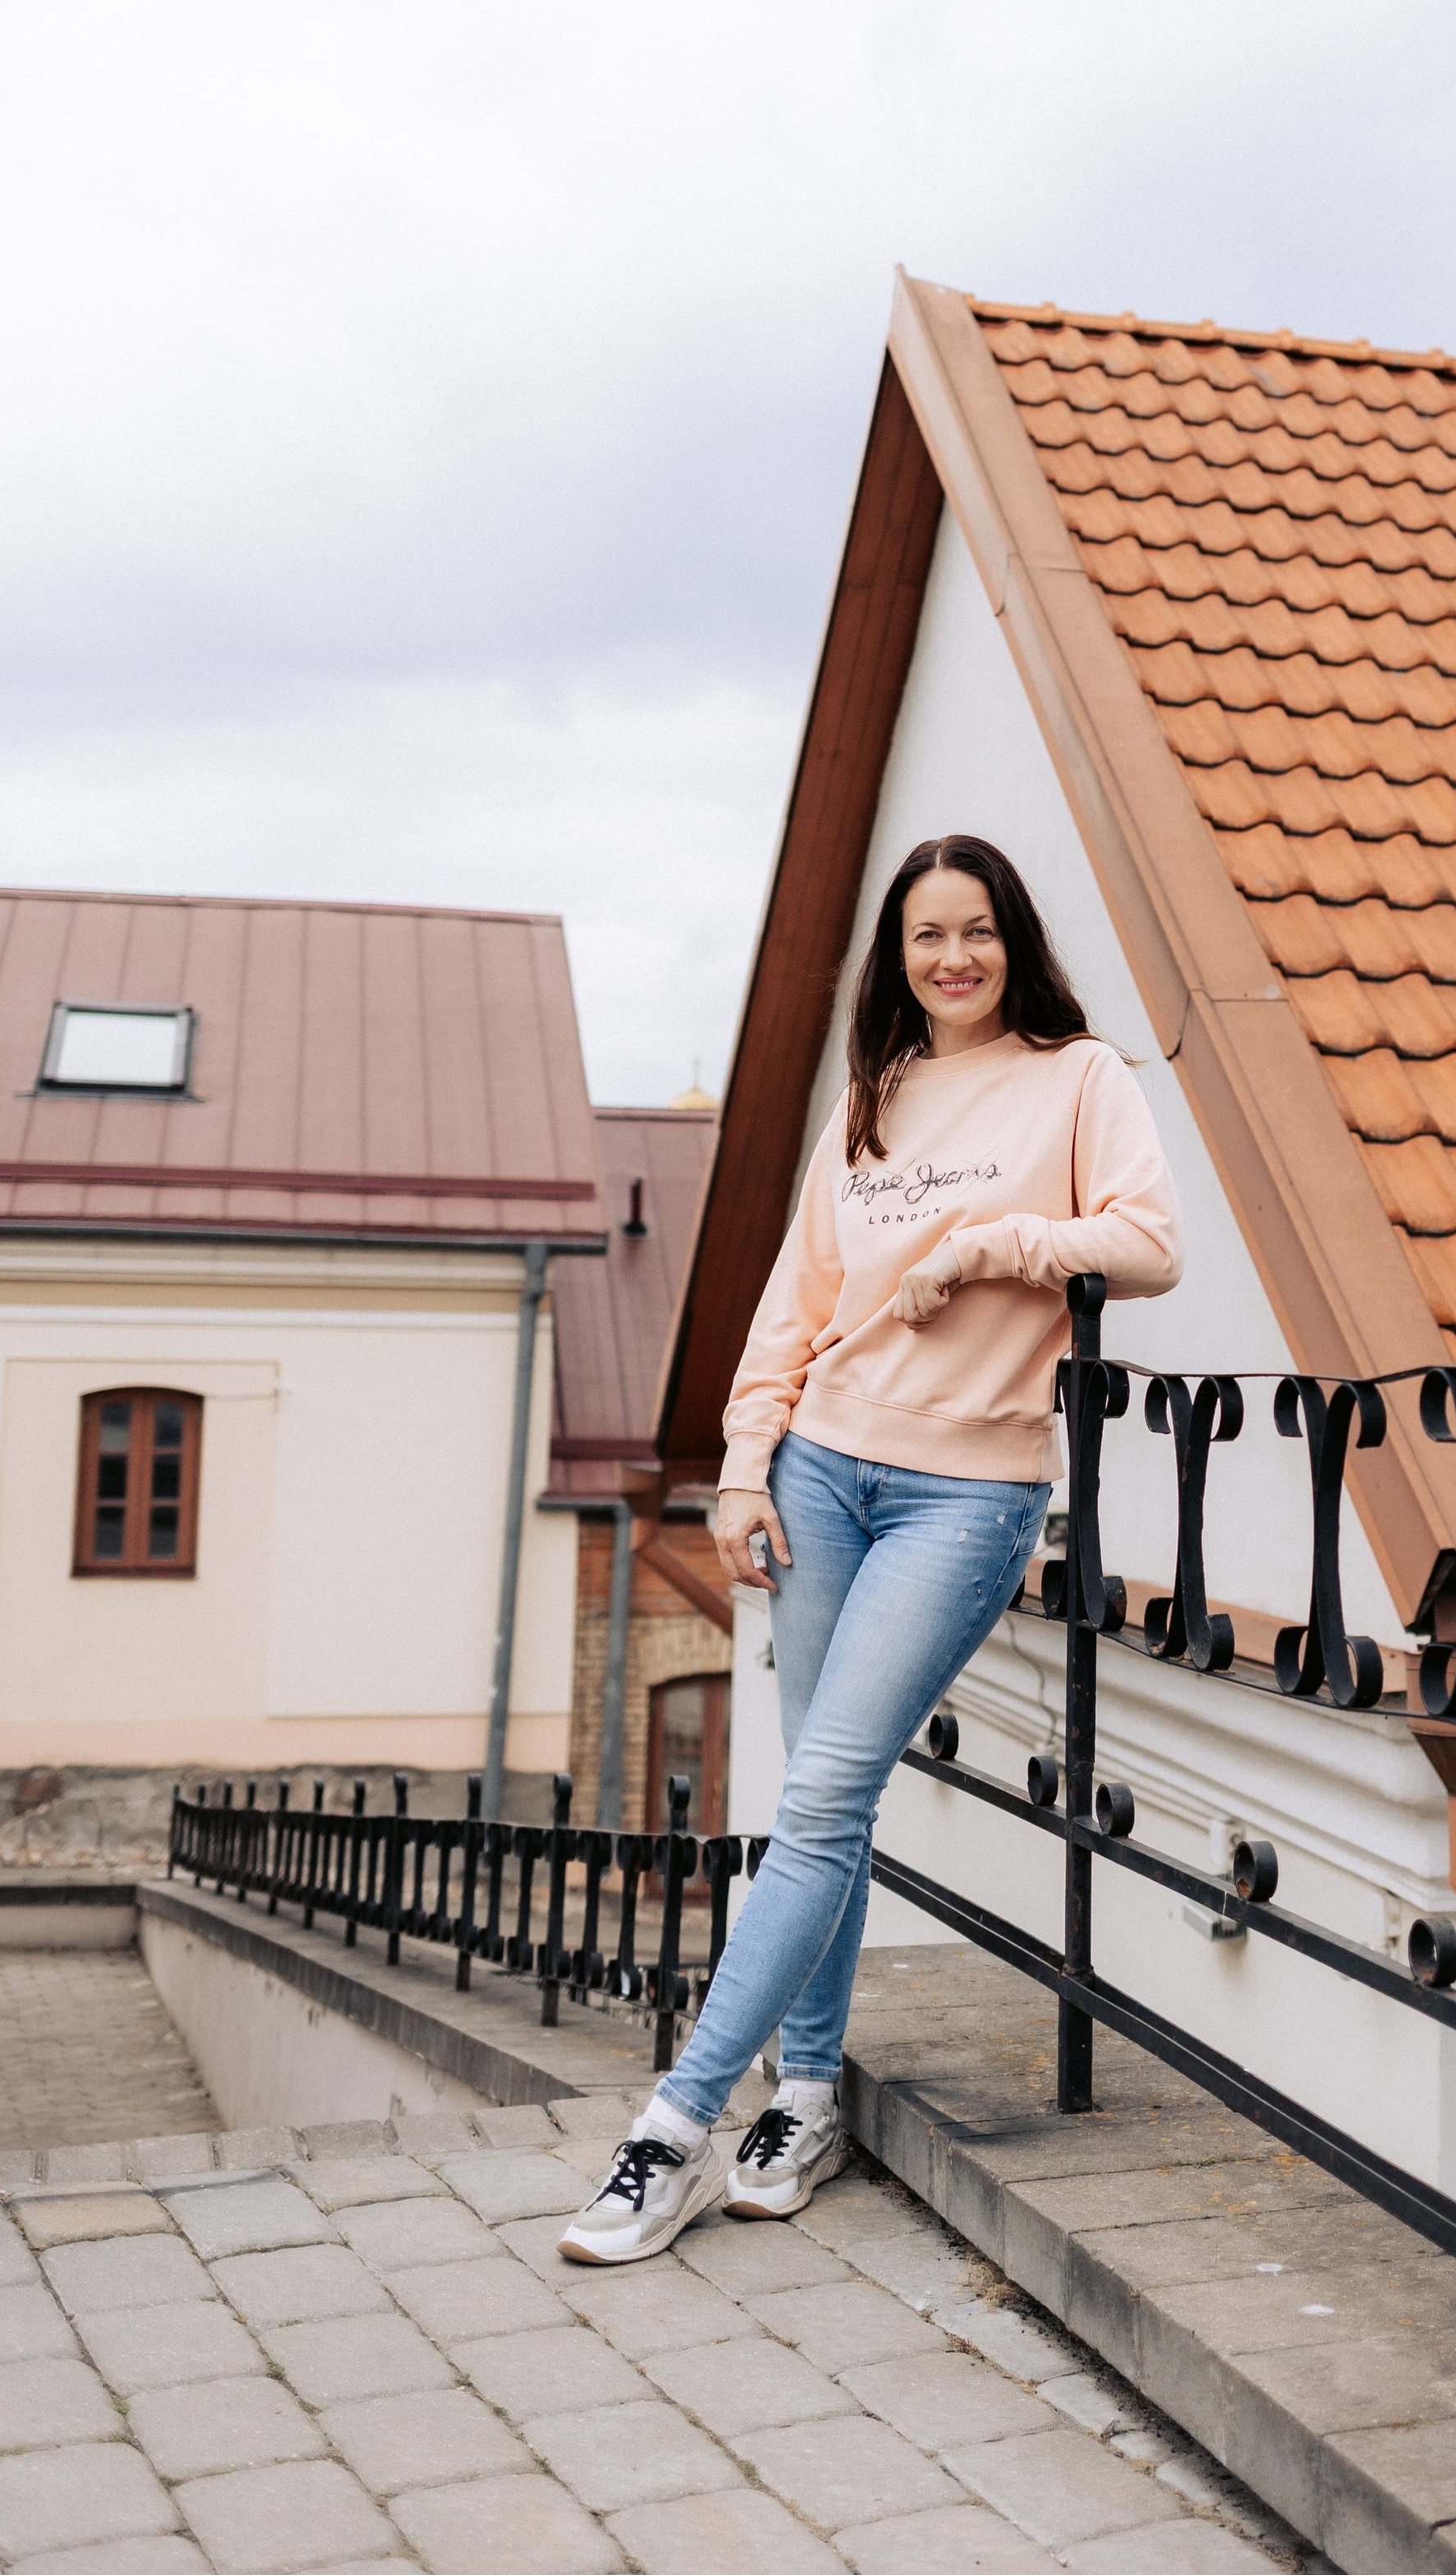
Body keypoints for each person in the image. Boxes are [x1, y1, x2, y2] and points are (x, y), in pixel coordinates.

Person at [561, 833, 1183, 2262]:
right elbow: (796, 1302)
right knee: (822, 1810)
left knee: (830, 1788)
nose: (952, 959)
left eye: (975, 932)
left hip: (964, 1492)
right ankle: (811, 2091)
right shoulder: (876, 1097)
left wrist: (997, 1247)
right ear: (898, 962)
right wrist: (741, 1463)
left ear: (1014, 940)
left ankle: (674, 2128)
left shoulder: (1081, 1079)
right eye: (925, 940)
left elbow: (1148, 1244)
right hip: (824, 1470)